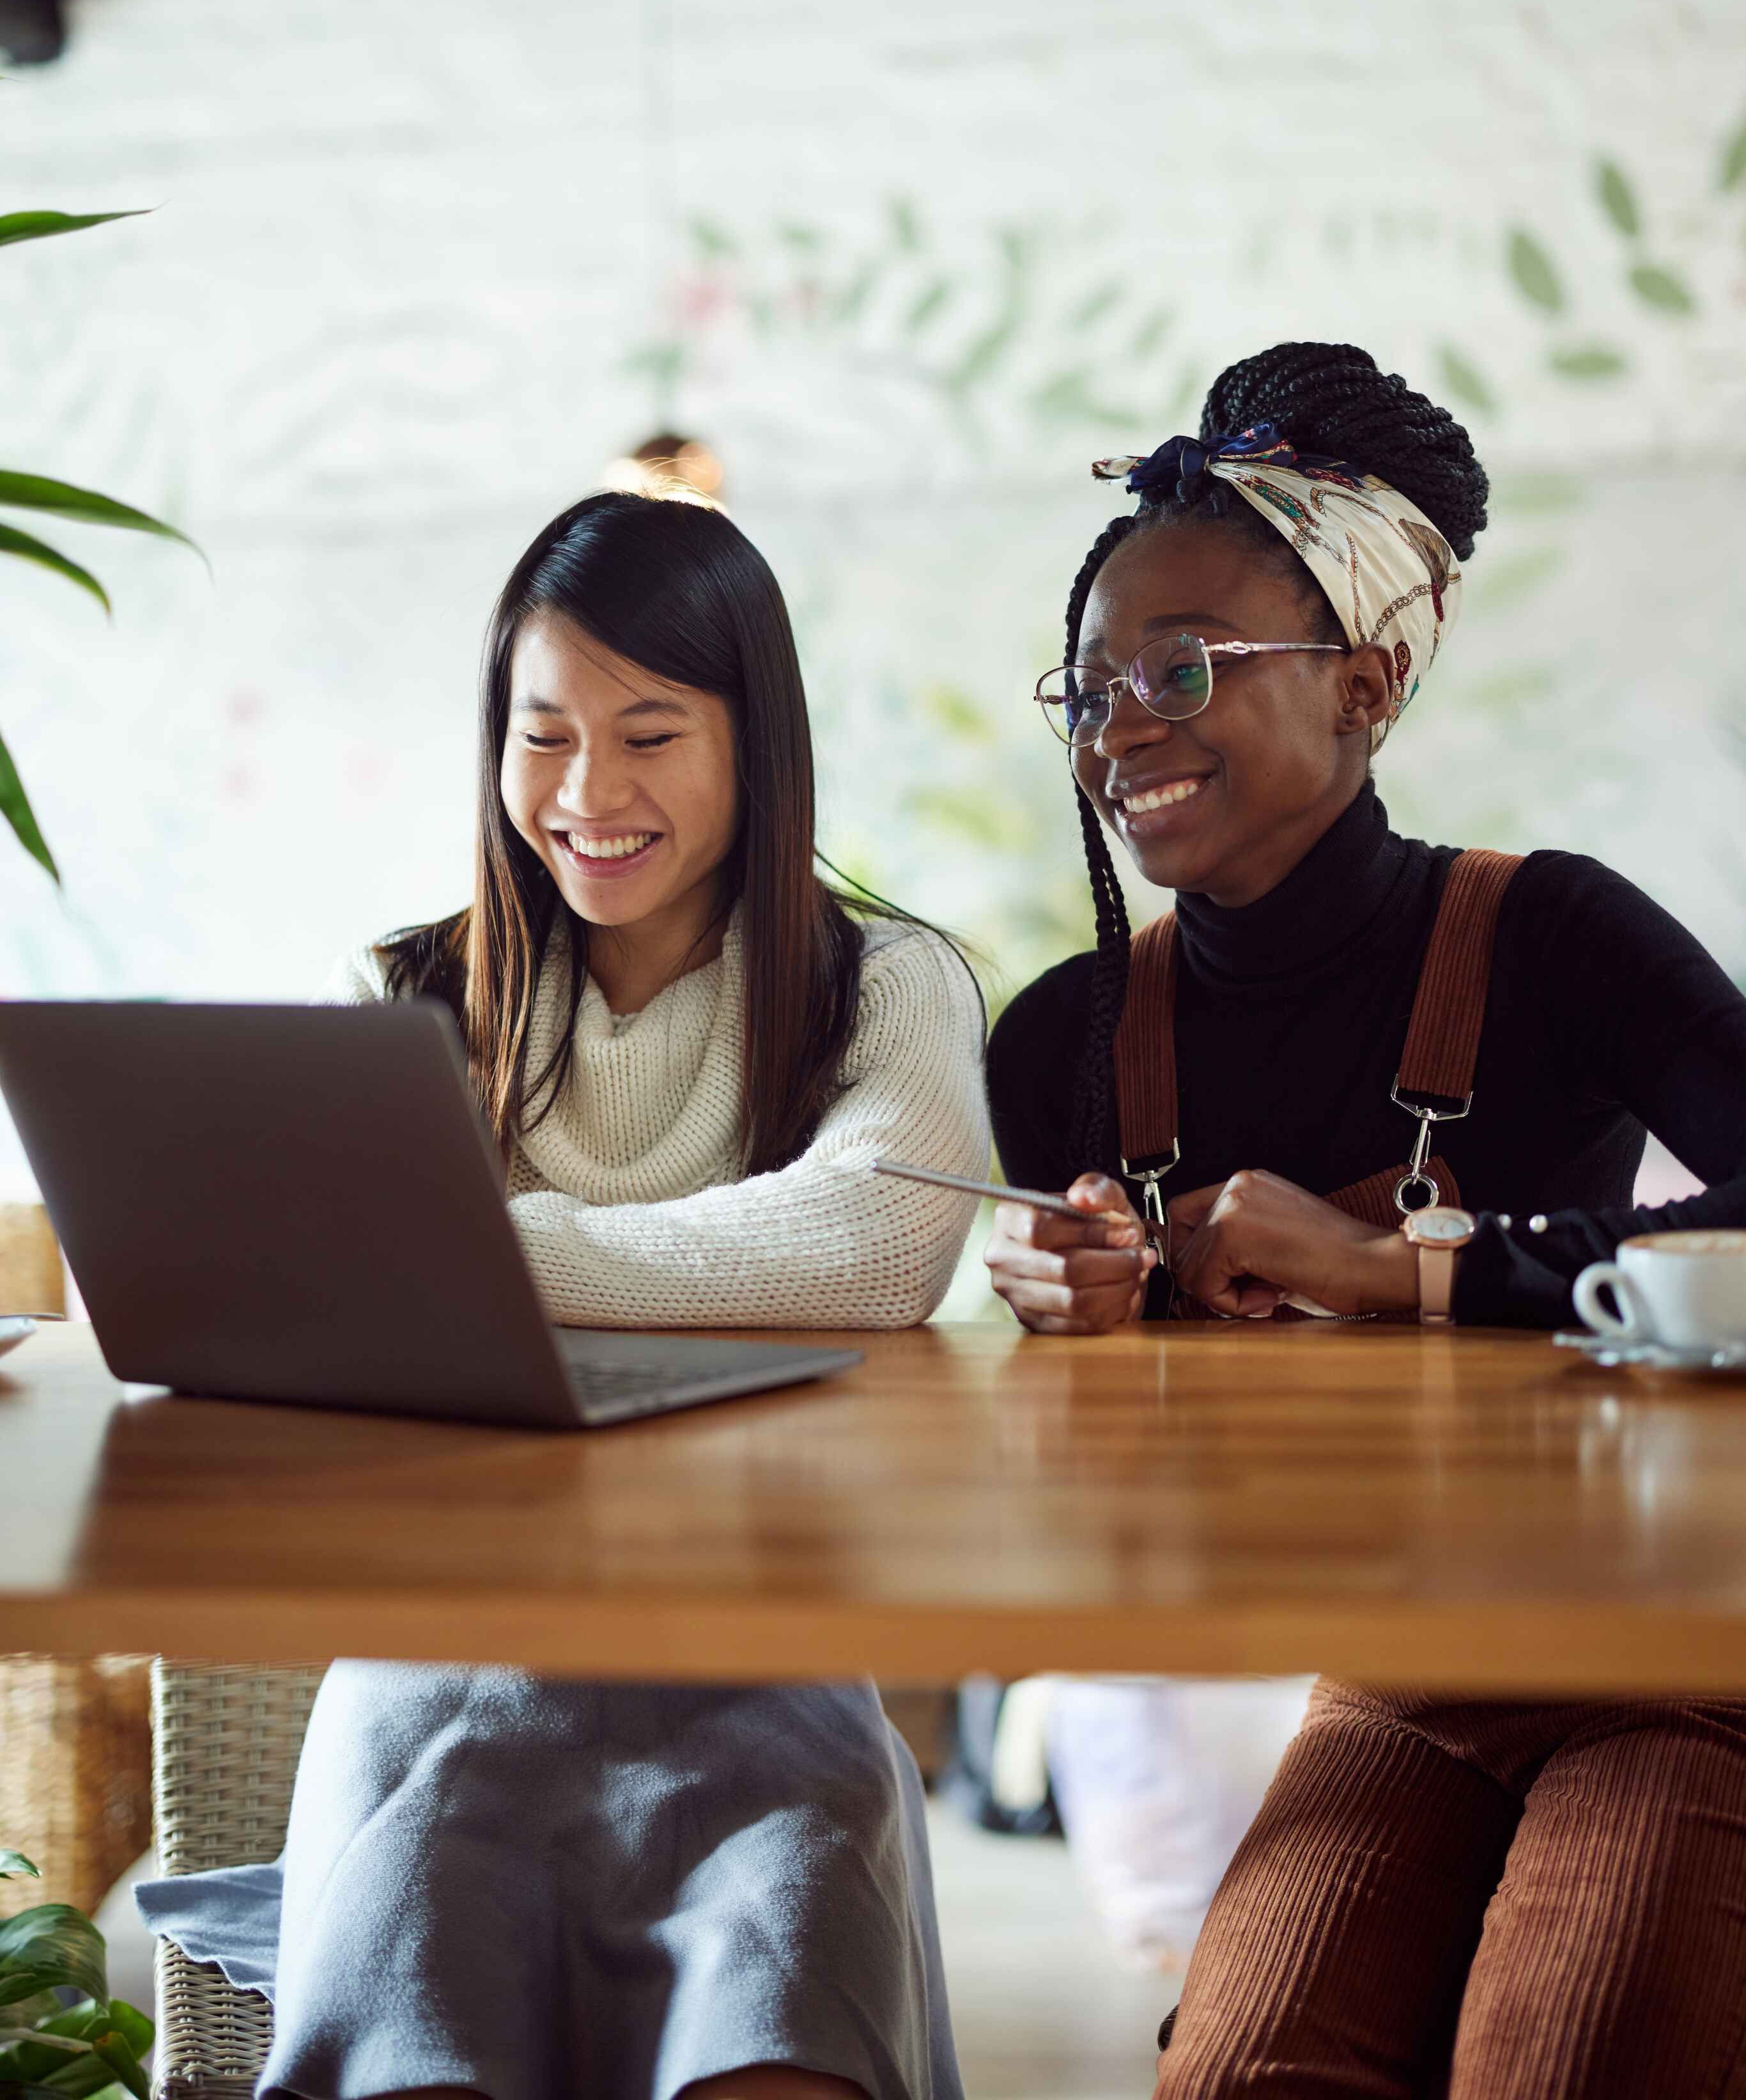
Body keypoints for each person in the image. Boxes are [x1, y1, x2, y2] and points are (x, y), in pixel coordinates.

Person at [141, 490, 987, 2100]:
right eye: (544, 736)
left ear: (757, 741)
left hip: (768, 1670)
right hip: (446, 1672)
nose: (590, 792)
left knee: (782, 2041)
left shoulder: (884, 986)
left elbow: (878, 1247)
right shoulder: (412, 995)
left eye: (652, 732)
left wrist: (468, 1255)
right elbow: (322, 1316)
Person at [983, 343, 1746, 2100]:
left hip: (1676, 1667)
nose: (1122, 730)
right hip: (1399, 1687)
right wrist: (1076, 1313)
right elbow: (1102, 1471)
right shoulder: (1064, 1044)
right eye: (1088, 690)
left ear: (1369, 683)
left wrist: (1406, 1264)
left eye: (1178, 669)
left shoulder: (1552, 936)